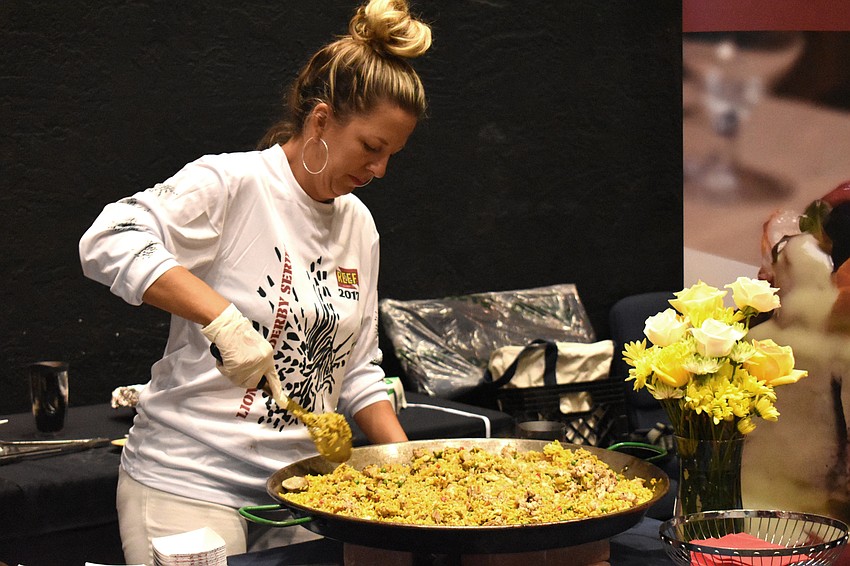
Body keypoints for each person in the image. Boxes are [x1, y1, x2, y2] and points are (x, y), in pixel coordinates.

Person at [78, 0, 431, 562]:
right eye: (371, 147)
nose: (379, 170)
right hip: (189, 482)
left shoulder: (359, 226)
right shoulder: (233, 182)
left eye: (392, 155)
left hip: (303, 488)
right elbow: (107, 238)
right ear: (320, 121)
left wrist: (408, 470)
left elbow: (358, 371)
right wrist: (220, 318)